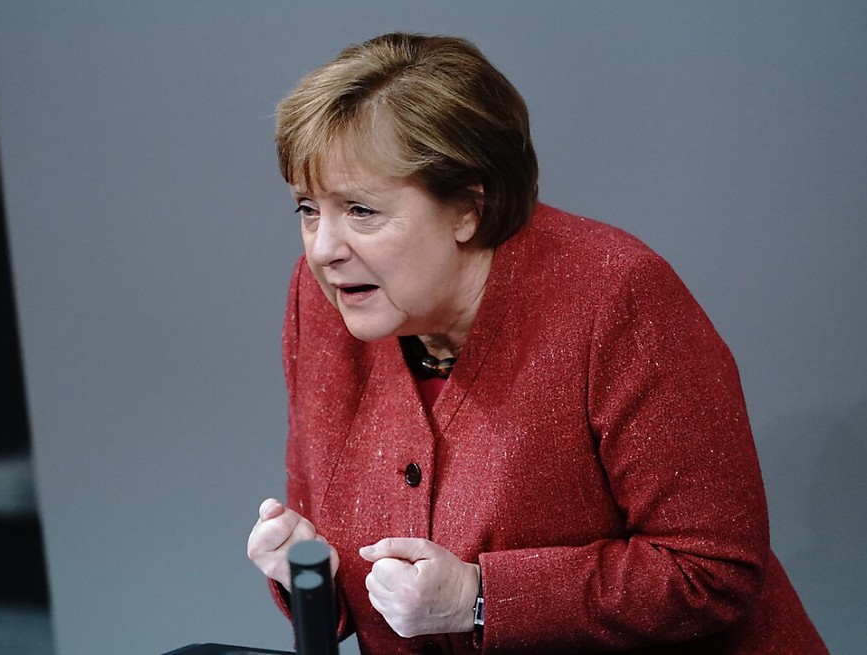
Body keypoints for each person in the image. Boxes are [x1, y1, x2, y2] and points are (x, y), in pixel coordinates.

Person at [247, 32, 827, 655]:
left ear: (471, 204)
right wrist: (306, 572)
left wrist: (478, 599)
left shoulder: (614, 297)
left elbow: (712, 569)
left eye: (360, 210)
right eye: (308, 209)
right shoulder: (325, 302)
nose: (324, 248)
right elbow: (370, 580)